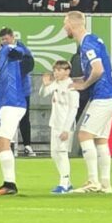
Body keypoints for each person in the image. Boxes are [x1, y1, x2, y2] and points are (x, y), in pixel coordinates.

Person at [65, 13, 112, 195]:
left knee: (84, 135)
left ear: (72, 25)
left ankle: (93, 181)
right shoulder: (94, 40)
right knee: (101, 140)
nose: (64, 28)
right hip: (110, 96)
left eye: (65, 24)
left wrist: (84, 85)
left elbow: (98, 70)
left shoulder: (87, 43)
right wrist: (76, 80)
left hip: (103, 97)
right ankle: (105, 184)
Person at [0, 27, 34, 196]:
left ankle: (10, 184)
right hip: (3, 105)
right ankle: (8, 183)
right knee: (0, 142)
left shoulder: (8, 50)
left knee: (2, 141)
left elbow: (21, 53)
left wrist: (20, 53)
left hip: (14, 102)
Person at [42, 59, 79, 194]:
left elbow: (73, 109)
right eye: (55, 70)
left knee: (62, 153)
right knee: (54, 154)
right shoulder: (55, 84)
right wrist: (45, 84)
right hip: (55, 123)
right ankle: (67, 182)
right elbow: (43, 94)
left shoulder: (71, 86)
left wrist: (66, 129)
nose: (56, 73)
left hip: (65, 125)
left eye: (59, 70)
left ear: (67, 71)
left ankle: (63, 183)